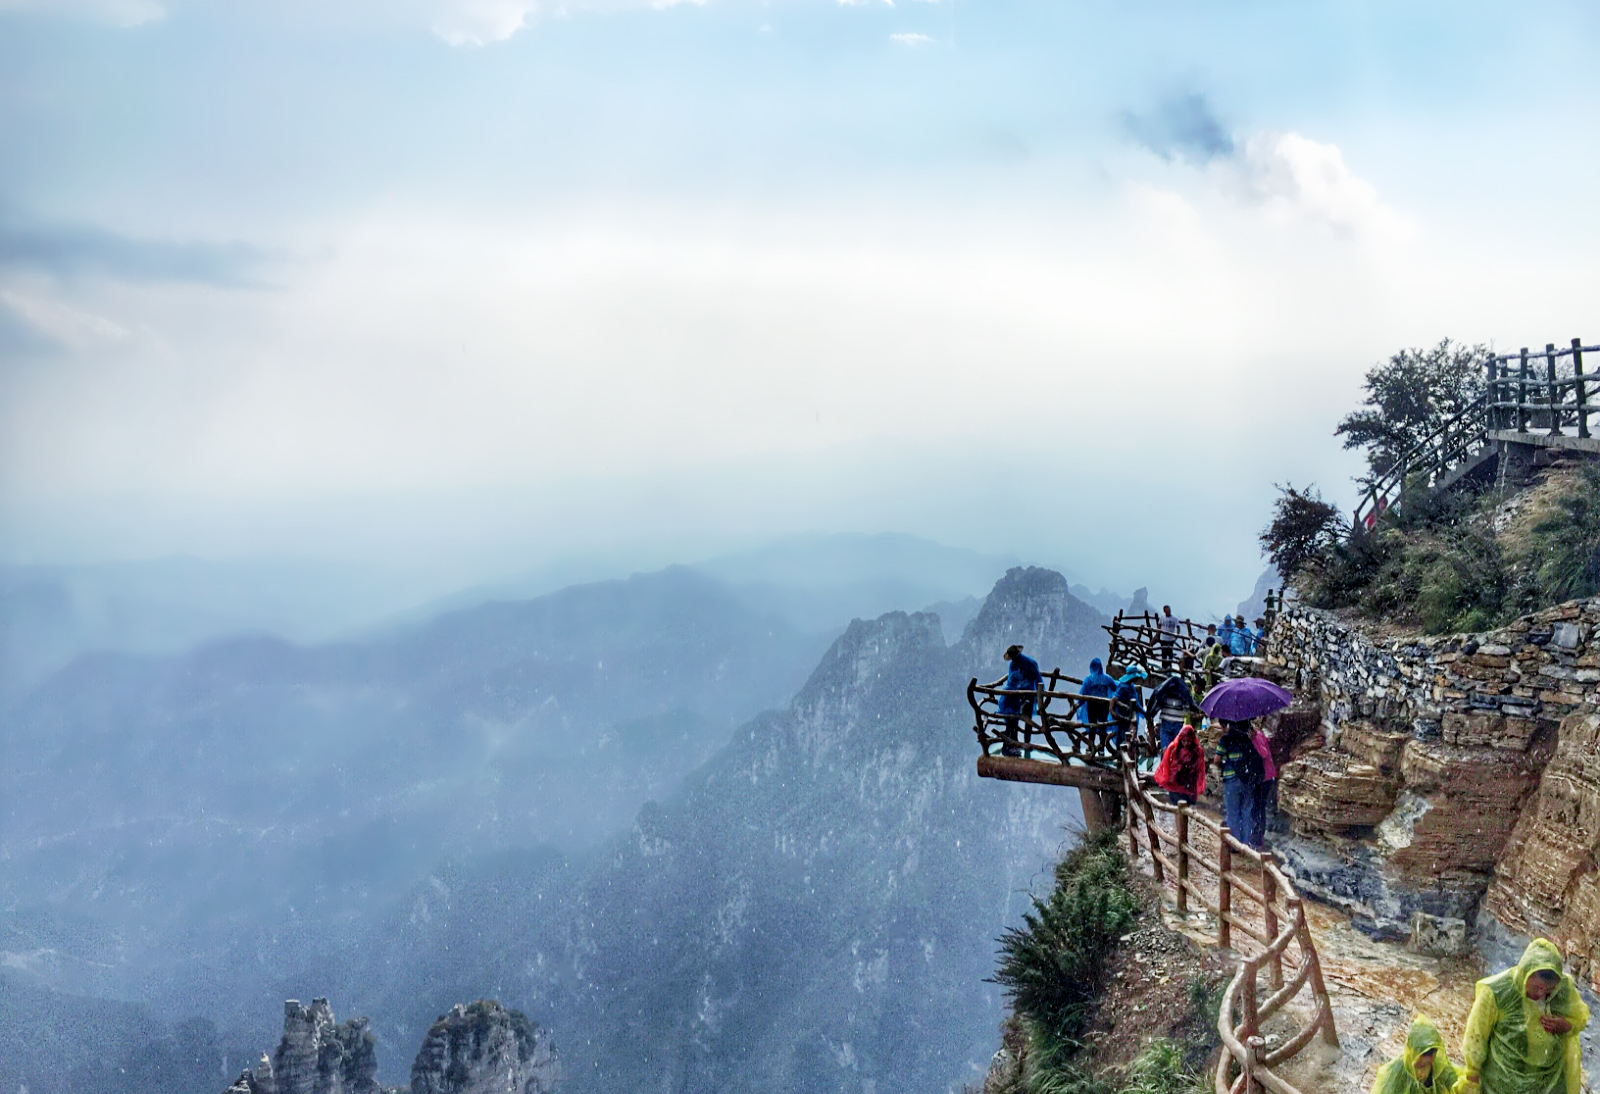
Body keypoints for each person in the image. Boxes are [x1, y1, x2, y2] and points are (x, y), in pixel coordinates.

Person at [1458, 938, 1589, 1094]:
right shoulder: (1498, 991)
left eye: (1548, 991)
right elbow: (1476, 1036)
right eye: (1537, 987)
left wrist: (1566, 1026)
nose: (1541, 994)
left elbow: (1579, 1016)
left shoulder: (1562, 988)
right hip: (1502, 1083)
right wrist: (1472, 1077)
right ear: (1525, 974)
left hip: (1549, 1082)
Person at [1370, 1015, 1460, 1094]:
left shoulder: (1442, 1071)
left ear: (1433, 1058)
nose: (1419, 1073)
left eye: (1424, 1066)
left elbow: (1457, 1085)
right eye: (1417, 1067)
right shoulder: (1395, 1075)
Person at [1216, 719, 1264, 842]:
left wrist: (1224, 762)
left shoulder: (1225, 740)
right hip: (1247, 779)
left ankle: (1234, 844)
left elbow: (1217, 760)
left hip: (1231, 780)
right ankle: (1246, 843)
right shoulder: (1245, 738)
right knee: (1246, 813)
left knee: (1233, 813)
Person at [1147, 653, 1200, 754]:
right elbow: (1186, 709)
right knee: (1175, 750)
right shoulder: (1183, 695)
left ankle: (1165, 767)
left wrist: (1150, 714)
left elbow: (1156, 706)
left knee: (1166, 750)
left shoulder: (1165, 694)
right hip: (1177, 723)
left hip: (1167, 723)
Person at [997, 644, 1043, 757]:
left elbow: (1038, 680)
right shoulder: (1013, 665)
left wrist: (1039, 697)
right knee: (1013, 720)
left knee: (1027, 719)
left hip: (1028, 694)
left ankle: (1025, 743)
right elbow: (1011, 681)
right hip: (1014, 696)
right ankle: (1014, 745)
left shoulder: (1030, 663)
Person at [1153, 717, 1206, 805]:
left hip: (1189, 784)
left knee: (1186, 807)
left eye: (1188, 741)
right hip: (1175, 783)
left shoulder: (1197, 751)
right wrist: (1165, 778)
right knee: (1178, 806)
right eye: (1184, 741)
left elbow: (1201, 768)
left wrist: (1199, 785)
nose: (1186, 744)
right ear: (1180, 739)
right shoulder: (1173, 748)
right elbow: (1166, 763)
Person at [1250, 723, 1279, 849]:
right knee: (1258, 808)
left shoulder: (1256, 738)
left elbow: (1263, 753)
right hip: (1264, 777)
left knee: (1258, 808)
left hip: (1264, 778)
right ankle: (1256, 837)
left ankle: (1257, 840)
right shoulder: (1259, 735)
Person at [1111, 665, 1147, 754]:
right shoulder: (1125, 687)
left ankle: (1122, 752)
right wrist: (1145, 713)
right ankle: (1122, 754)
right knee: (1122, 734)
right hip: (1123, 714)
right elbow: (1135, 704)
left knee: (1124, 734)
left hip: (1126, 713)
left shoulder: (1128, 685)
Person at [1081, 657, 1117, 736]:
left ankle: (1091, 743)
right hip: (1104, 704)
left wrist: (1079, 703)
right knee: (1103, 724)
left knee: (1092, 724)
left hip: (1092, 704)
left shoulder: (1089, 679)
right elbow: (1114, 687)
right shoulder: (1107, 678)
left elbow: (1083, 692)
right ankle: (1102, 743)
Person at [1158, 605, 1179, 671]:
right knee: (1164, 653)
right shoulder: (1162, 618)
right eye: (1167, 610)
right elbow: (1159, 625)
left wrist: (1176, 635)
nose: (1168, 611)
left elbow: (1178, 627)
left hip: (1170, 639)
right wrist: (1158, 634)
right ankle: (1164, 666)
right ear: (1164, 611)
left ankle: (1169, 666)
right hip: (1163, 638)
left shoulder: (1174, 619)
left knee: (1170, 653)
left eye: (1169, 610)